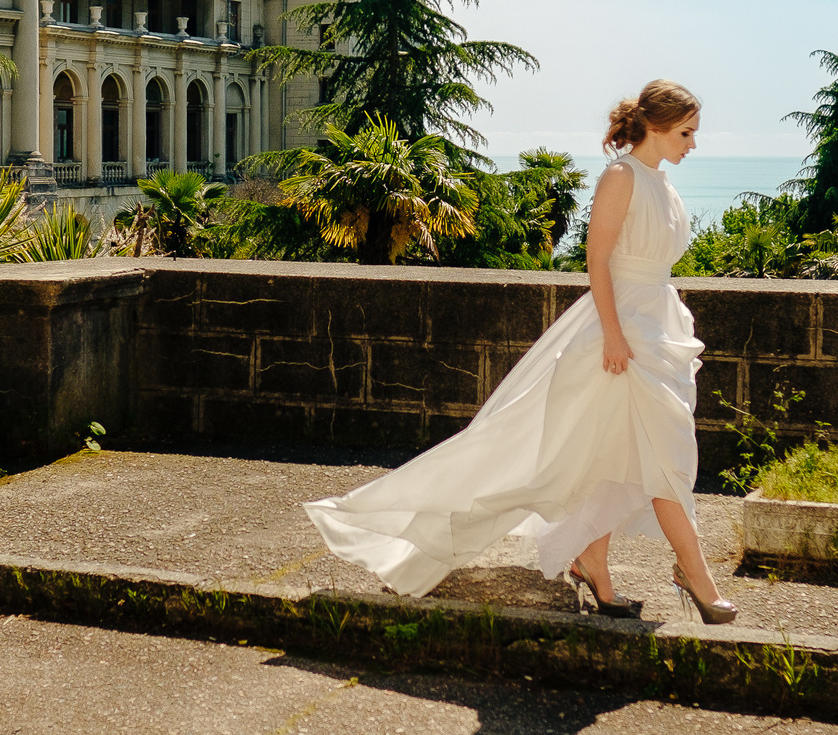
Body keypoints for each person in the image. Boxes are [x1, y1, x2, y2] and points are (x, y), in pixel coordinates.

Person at [302, 79, 740, 623]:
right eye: (685, 132)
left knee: (615, 459)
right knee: (664, 464)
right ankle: (695, 576)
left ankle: (595, 570)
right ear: (654, 126)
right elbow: (597, 259)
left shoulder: (663, 183)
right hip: (622, 331)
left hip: (658, 325)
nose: (692, 144)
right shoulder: (622, 176)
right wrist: (613, 335)